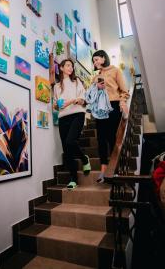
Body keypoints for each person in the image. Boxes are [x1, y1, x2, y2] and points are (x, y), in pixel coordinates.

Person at [91, 50, 129, 183]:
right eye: (94, 61)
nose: (95, 63)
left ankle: (115, 169)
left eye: (96, 59)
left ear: (103, 58)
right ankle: (103, 169)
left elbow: (124, 90)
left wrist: (123, 101)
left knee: (113, 138)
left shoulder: (115, 70)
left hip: (113, 105)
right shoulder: (96, 76)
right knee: (101, 139)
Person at [53, 59, 91, 189]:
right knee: (67, 149)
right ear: (61, 68)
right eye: (68, 65)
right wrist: (56, 105)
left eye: (72, 66)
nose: (71, 68)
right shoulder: (57, 86)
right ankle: (73, 179)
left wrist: (72, 101)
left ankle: (84, 158)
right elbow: (56, 104)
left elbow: (82, 99)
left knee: (70, 141)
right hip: (63, 117)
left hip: (77, 114)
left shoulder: (76, 81)